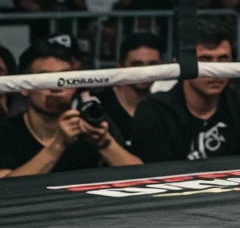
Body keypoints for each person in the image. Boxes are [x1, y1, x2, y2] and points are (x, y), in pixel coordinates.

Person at [131, 20, 240, 162]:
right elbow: (158, 172)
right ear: (179, 64)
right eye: (205, 59)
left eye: (223, 59)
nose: (215, 70)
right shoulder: (155, 111)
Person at [0, 41, 140, 177]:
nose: (57, 88)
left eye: (65, 79)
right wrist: (59, 144)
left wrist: (103, 142)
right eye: (44, 79)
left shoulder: (91, 122)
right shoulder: (5, 132)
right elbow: (5, 186)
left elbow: (139, 176)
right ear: (24, 87)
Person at [95, 31, 166, 151]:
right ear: (119, 68)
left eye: (153, 65)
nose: (145, 71)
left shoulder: (164, 108)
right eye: (137, 65)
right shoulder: (99, 106)